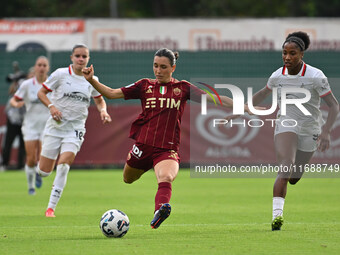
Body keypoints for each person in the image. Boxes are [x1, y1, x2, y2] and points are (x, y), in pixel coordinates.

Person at [82, 48, 257, 229]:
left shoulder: (182, 88)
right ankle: (158, 203)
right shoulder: (144, 86)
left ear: (173, 68)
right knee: (127, 179)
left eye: (163, 67)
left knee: (165, 177)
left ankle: (160, 210)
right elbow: (111, 93)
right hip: (142, 146)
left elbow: (212, 98)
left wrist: (242, 106)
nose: (158, 71)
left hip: (167, 148)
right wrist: (91, 80)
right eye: (155, 66)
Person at [234, 32, 339, 231]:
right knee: (285, 167)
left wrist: (326, 132)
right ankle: (277, 218)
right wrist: (241, 110)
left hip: (310, 128)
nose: (287, 57)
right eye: (284, 53)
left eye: (292, 53)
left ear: (302, 55)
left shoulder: (316, 76)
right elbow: (264, 93)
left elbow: (334, 106)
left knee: (294, 178)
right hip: (286, 125)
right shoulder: (277, 75)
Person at [37, 44, 112, 217]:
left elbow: (100, 100)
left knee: (63, 166)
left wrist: (103, 111)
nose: (81, 59)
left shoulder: (92, 79)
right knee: (44, 172)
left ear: (88, 59)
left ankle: (50, 208)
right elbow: (41, 93)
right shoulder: (60, 74)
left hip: (75, 129)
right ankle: (41, 171)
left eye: (84, 56)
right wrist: (51, 107)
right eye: (77, 56)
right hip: (55, 128)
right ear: (72, 57)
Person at [9, 57, 50, 195]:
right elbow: (14, 100)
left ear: (47, 68)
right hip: (30, 125)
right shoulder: (27, 84)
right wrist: (17, 104)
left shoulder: (52, 83)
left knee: (43, 157)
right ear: (35, 67)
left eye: (44, 65)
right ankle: (31, 186)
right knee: (31, 158)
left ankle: (39, 173)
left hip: (47, 125)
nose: (42, 67)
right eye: (39, 65)